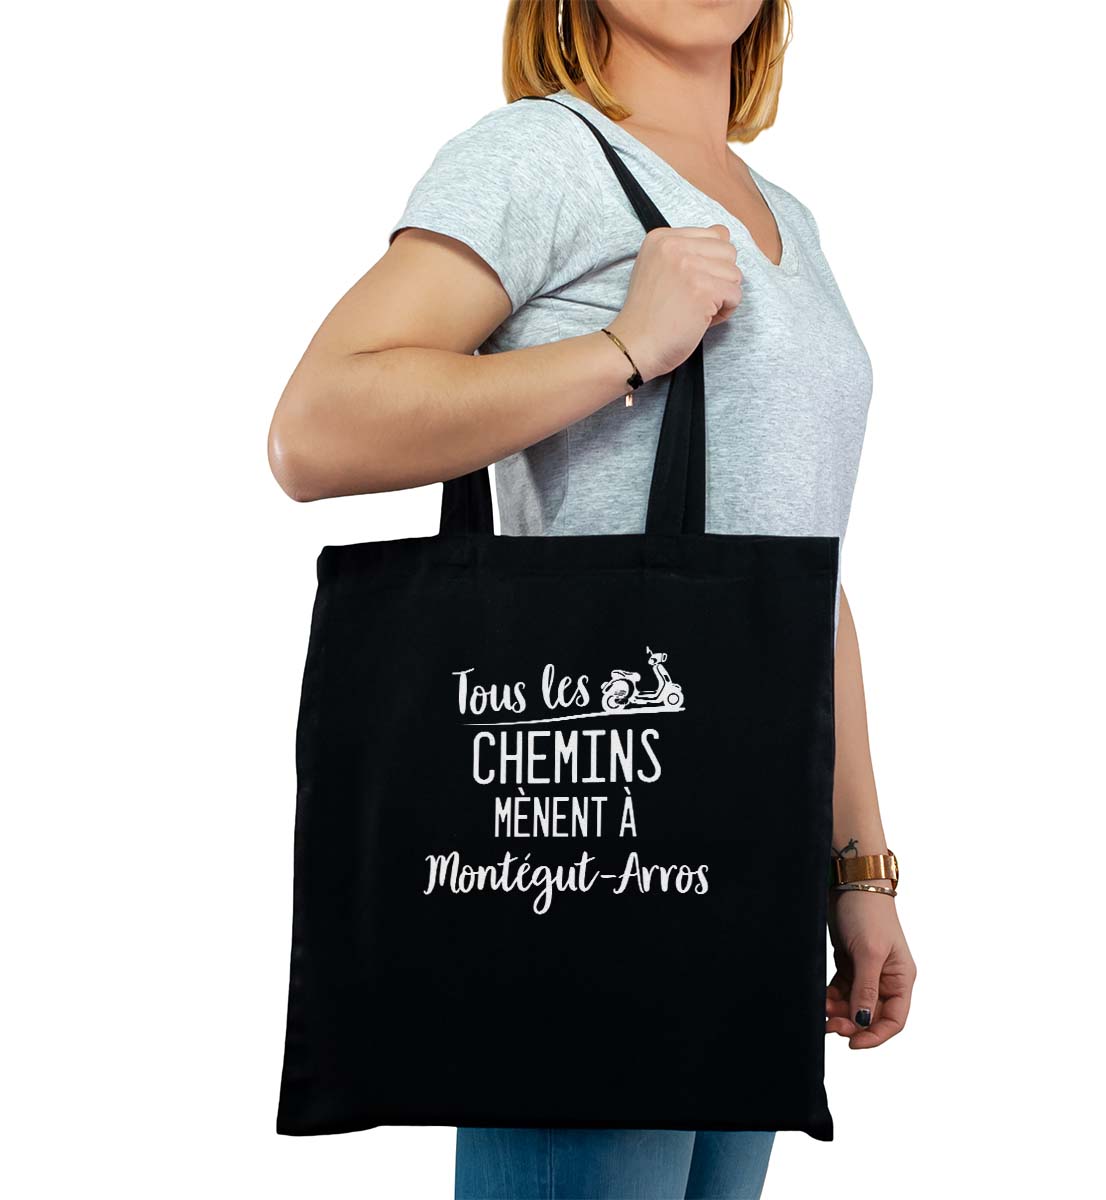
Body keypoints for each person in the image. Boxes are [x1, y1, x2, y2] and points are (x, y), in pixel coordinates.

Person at [267, 1, 916, 1196]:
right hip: (596, 833)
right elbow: (314, 432)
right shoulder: (542, 155)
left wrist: (854, 871)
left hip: (743, 859)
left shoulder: (795, 224)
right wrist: (624, 347)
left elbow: (800, 578)